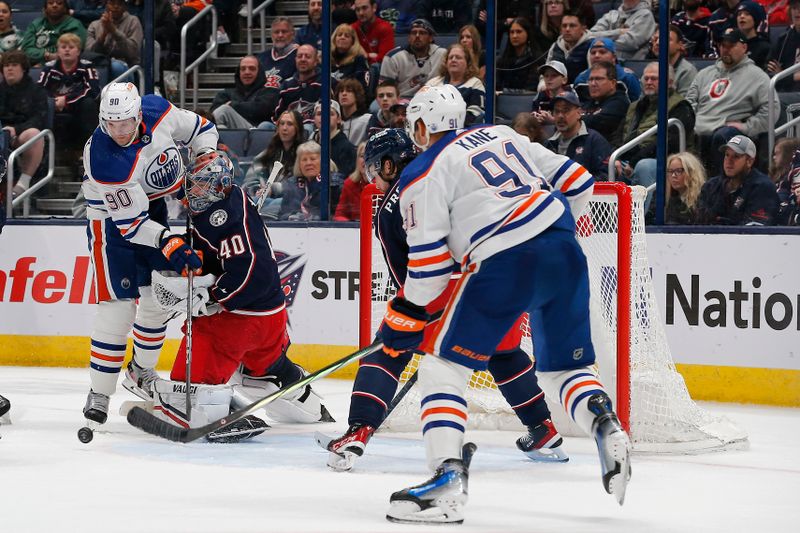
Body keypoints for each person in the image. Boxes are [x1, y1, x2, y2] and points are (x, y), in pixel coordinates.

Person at [381, 85, 630, 524]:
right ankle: (604, 424)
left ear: (421, 126)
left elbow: (428, 265)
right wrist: (546, 229)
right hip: (563, 247)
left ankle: (445, 480)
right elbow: (579, 182)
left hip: (504, 260)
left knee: (441, 367)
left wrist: (407, 313)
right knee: (562, 371)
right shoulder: (503, 134)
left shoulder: (421, 171)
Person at [324, 128, 568, 472]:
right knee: (503, 352)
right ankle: (543, 429)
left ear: (391, 165)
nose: (374, 178)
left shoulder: (392, 208)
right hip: (499, 278)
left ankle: (358, 430)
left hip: (443, 291)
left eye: (376, 168)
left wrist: (416, 324)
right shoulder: (446, 168)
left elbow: (406, 279)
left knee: (387, 349)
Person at [150, 150, 333, 440]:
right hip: (270, 317)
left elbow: (250, 271)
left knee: (199, 355)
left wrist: (212, 297)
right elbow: (224, 256)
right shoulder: (229, 200)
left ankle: (207, 409)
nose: (191, 189)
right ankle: (298, 391)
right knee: (262, 371)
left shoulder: (224, 218)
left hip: (241, 321)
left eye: (199, 184)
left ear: (218, 184)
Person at [80, 82, 216, 426]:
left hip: (154, 212)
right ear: (102, 121)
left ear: (139, 115)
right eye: (112, 124)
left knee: (157, 301)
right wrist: (169, 241)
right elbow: (130, 226)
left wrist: (205, 158)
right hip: (110, 224)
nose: (120, 131)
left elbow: (203, 128)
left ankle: (141, 371)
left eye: (126, 122)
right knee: (118, 310)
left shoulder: (158, 111)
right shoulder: (104, 161)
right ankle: (100, 391)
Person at [685, 29, 773, 176]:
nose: (725, 49)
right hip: (698, 129)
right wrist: (689, 122)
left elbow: (770, 108)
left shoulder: (757, 76)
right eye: (722, 45)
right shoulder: (704, 74)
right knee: (675, 130)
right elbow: (689, 103)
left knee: (725, 136)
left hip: (725, 131)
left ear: (744, 47)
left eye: (731, 45)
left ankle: (722, 186)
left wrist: (747, 127)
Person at [614, 62, 695, 208]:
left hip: (666, 161)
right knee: (608, 166)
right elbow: (618, 136)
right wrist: (616, 158)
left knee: (644, 166)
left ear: (669, 83)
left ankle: (640, 219)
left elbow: (669, 143)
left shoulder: (681, 107)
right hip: (630, 159)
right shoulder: (636, 105)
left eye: (654, 79)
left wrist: (633, 161)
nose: (649, 82)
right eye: (646, 79)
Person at [696, 134, 779, 225]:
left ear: (749, 161)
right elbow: (699, 222)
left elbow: (755, 229)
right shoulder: (711, 186)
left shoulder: (762, 187)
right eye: (727, 155)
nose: (729, 161)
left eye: (736, 156)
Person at [39, 32, 101, 152]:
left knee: (89, 104)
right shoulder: (49, 68)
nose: (67, 50)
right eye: (63, 47)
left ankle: (88, 150)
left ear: (78, 51)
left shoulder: (87, 67)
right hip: (55, 105)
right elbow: (39, 90)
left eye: (71, 47)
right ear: (58, 51)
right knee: (42, 104)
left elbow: (93, 90)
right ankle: (46, 152)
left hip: (79, 106)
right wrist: (54, 102)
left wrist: (67, 100)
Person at [0, 51, 48, 199]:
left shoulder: (36, 91)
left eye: (14, 65)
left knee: (34, 134)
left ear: (24, 68)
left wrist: (16, 129)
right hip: (1, 133)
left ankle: (23, 183)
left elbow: (39, 118)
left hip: (22, 133)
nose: (9, 69)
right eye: (6, 66)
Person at [243, 110, 304, 218]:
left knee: (274, 203)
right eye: (282, 124)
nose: (284, 128)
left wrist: (273, 189)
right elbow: (250, 180)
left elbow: (300, 185)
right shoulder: (269, 152)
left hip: (291, 200)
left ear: (297, 128)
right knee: (252, 201)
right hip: (266, 197)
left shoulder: (303, 153)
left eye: (289, 124)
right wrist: (258, 189)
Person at [544, 89, 612, 181]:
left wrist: (577, 186)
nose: (560, 116)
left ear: (579, 113)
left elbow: (605, 177)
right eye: (556, 111)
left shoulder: (594, 140)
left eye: (566, 111)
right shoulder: (550, 144)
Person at [379, 18, 445, 99]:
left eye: (422, 33)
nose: (417, 36)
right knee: (374, 108)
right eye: (413, 33)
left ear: (431, 38)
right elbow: (385, 88)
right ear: (409, 38)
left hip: (433, 99)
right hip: (401, 99)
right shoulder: (393, 57)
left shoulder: (443, 55)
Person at [424, 43, 485, 125]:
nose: (453, 60)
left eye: (458, 57)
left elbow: (476, 113)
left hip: (463, 130)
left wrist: (449, 122)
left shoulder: (475, 83)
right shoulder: (433, 83)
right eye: (450, 57)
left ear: (468, 63)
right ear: (446, 63)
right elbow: (421, 107)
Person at [211, 55, 277, 129]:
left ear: (259, 72)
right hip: (230, 135)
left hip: (257, 134)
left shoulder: (270, 92)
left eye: (252, 69)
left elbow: (260, 111)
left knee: (224, 109)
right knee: (220, 127)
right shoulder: (224, 94)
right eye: (243, 69)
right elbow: (213, 115)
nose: (247, 72)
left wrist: (232, 105)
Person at [278, 140, 336, 221]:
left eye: (313, 159)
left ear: (323, 161)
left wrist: (309, 217)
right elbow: (282, 215)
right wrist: (291, 217)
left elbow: (336, 216)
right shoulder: (292, 184)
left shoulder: (333, 183)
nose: (308, 163)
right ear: (299, 164)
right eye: (304, 160)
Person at [85, 0, 143, 79]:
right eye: (112, 3)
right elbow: (90, 54)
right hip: (101, 65)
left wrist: (114, 31)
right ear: (106, 5)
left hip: (128, 67)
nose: (115, 7)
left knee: (116, 67)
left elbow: (133, 52)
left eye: (119, 3)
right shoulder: (94, 25)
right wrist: (103, 35)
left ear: (125, 6)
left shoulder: (133, 21)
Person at [572, 37, 642, 104]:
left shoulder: (627, 77)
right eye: (593, 53)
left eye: (602, 52)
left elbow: (636, 105)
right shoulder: (581, 79)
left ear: (614, 57)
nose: (596, 55)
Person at [21, 0, 87, 66]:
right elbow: (26, 49)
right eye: (50, 3)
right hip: (33, 63)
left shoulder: (74, 25)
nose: (54, 5)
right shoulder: (36, 24)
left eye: (59, 3)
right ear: (45, 8)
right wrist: (47, 55)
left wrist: (43, 64)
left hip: (63, 65)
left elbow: (73, 51)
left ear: (65, 8)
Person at [581, 61, 630, 146]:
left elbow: (596, 122)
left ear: (613, 83)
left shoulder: (620, 102)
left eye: (598, 79)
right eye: (590, 79)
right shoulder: (589, 102)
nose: (593, 84)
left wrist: (574, 118)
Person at [272, 44, 321, 127]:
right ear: (295, 60)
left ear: (315, 61)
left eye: (307, 57)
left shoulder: (326, 83)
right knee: (265, 126)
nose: (303, 59)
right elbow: (277, 116)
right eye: (299, 56)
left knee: (307, 127)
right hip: (287, 127)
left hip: (314, 130)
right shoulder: (286, 85)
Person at [589, 0, 655, 60]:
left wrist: (601, 40)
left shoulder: (645, 15)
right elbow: (590, 35)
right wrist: (618, 32)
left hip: (630, 64)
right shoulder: (611, 14)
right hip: (604, 63)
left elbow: (630, 43)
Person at [495, 17, 545, 93]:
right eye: (512, 32)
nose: (514, 36)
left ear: (527, 33)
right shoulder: (502, 61)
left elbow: (531, 87)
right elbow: (497, 86)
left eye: (519, 32)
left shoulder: (537, 59)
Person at [659, 151, 708, 224]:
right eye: (670, 171)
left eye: (679, 171)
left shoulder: (704, 197)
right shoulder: (663, 197)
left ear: (691, 173)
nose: (673, 176)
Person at [545, 11, 594, 83]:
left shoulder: (592, 45)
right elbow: (546, 73)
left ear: (583, 28)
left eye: (572, 26)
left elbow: (594, 76)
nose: (567, 29)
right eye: (564, 26)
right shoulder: (555, 46)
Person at [312, 100, 357, 177]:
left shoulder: (347, 148)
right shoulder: (309, 146)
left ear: (339, 119)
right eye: (319, 114)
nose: (324, 117)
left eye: (330, 114)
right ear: (314, 119)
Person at [650, 25, 697, 97]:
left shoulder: (687, 71)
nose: (658, 43)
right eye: (655, 39)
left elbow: (684, 103)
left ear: (680, 45)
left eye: (665, 39)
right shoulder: (650, 70)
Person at [257, 16, 299, 90]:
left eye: (284, 31)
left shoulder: (299, 57)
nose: (280, 35)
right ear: (271, 35)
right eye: (276, 32)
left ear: (293, 34)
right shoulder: (260, 58)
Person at [768, 0, 800, 92]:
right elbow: (771, 69)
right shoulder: (784, 38)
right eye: (794, 7)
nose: (798, 11)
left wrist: (783, 75)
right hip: (786, 90)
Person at [330, 23, 370, 94]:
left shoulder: (359, 60)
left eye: (347, 36)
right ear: (334, 39)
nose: (342, 37)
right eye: (339, 35)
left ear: (353, 41)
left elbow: (359, 86)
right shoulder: (327, 59)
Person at [332, 141, 368, 221]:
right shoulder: (350, 183)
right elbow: (339, 215)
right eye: (362, 156)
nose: (365, 160)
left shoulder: (385, 185)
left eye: (369, 156)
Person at [353, 0, 395, 65]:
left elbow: (386, 59)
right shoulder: (352, 28)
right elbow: (346, 56)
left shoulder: (385, 28)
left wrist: (364, 56)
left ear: (374, 7)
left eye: (364, 8)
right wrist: (369, 55)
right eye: (357, 9)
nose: (361, 13)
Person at [531, 60, 571, 126]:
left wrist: (553, 120)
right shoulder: (540, 95)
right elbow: (533, 111)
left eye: (554, 75)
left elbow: (575, 120)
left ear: (564, 80)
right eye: (546, 76)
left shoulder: (570, 96)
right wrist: (535, 118)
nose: (549, 79)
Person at [770, 138, 800, 224]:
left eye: (777, 153)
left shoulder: (795, 173)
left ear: (789, 154)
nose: (774, 157)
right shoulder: (778, 175)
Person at [736, 1, 770, 70]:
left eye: (747, 14)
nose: (742, 16)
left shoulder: (764, 47)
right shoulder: (734, 45)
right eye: (739, 14)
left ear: (755, 19)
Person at [337, 78, 371, 145]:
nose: (344, 94)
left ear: (357, 95)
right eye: (341, 91)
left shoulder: (367, 119)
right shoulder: (334, 120)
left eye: (349, 91)